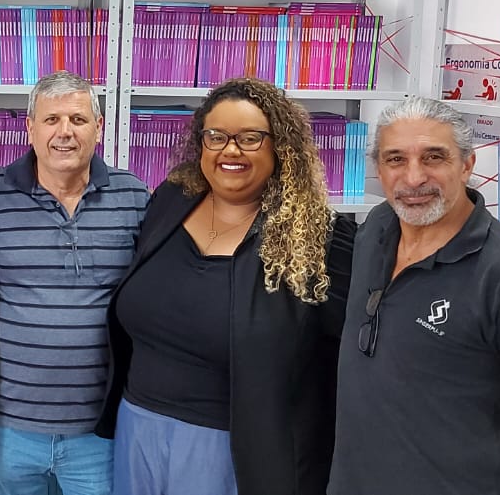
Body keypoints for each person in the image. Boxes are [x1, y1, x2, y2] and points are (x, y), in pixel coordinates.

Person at [96, 77, 357, 495]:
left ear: (280, 148)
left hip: (236, 451)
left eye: (250, 138)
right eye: (216, 137)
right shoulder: (170, 201)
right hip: (137, 428)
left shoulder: (320, 241)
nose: (230, 150)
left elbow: (350, 360)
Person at [329, 96, 500, 495]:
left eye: (434, 157)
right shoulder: (377, 227)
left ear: (467, 165)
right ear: (378, 168)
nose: (414, 178)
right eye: (396, 159)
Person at [0, 71, 150, 495]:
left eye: (77, 119)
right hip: (5, 430)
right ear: (30, 128)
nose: (64, 132)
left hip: (100, 432)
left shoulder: (134, 197)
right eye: (51, 120)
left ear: (98, 127)